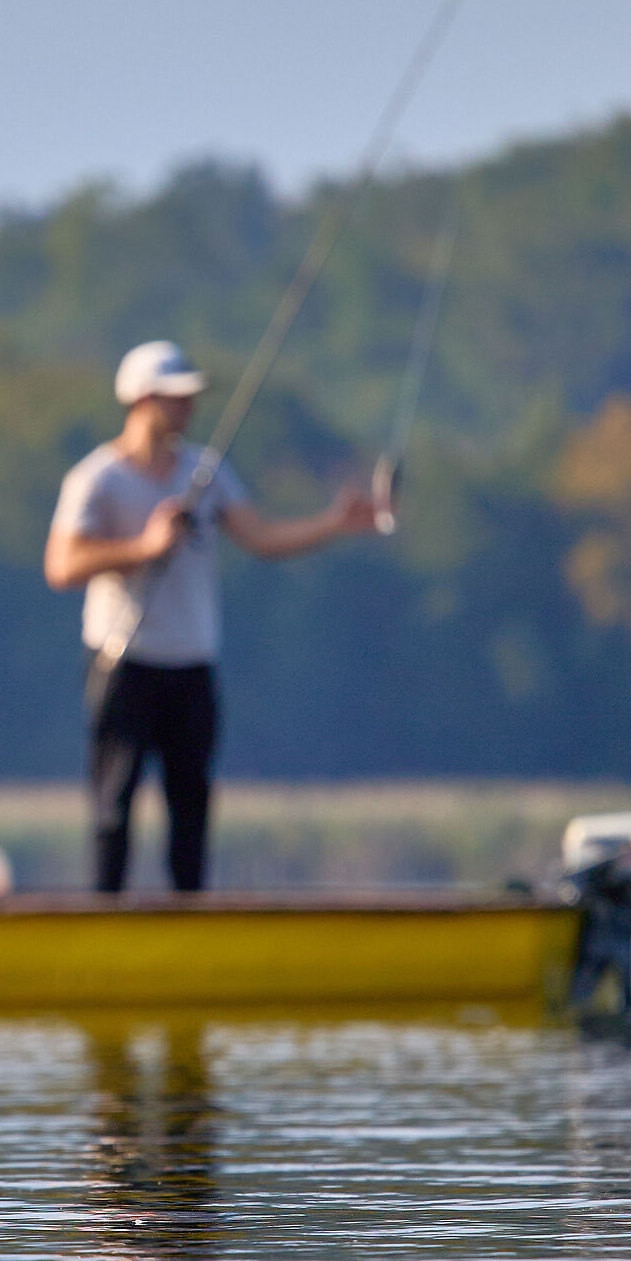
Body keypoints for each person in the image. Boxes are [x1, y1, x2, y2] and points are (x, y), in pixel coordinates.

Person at [44, 340, 379, 893]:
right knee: (114, 805)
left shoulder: (206, 470)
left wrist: (334, 524)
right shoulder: (97, 478)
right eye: (176, 398)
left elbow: (261, 537)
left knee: (192, 806)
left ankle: (189, 920)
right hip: (122, 661)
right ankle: (103, 919)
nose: (188, 408)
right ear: (141, 399)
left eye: (190, 398)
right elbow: (61, 565)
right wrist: (144, 547)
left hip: (191, 663)